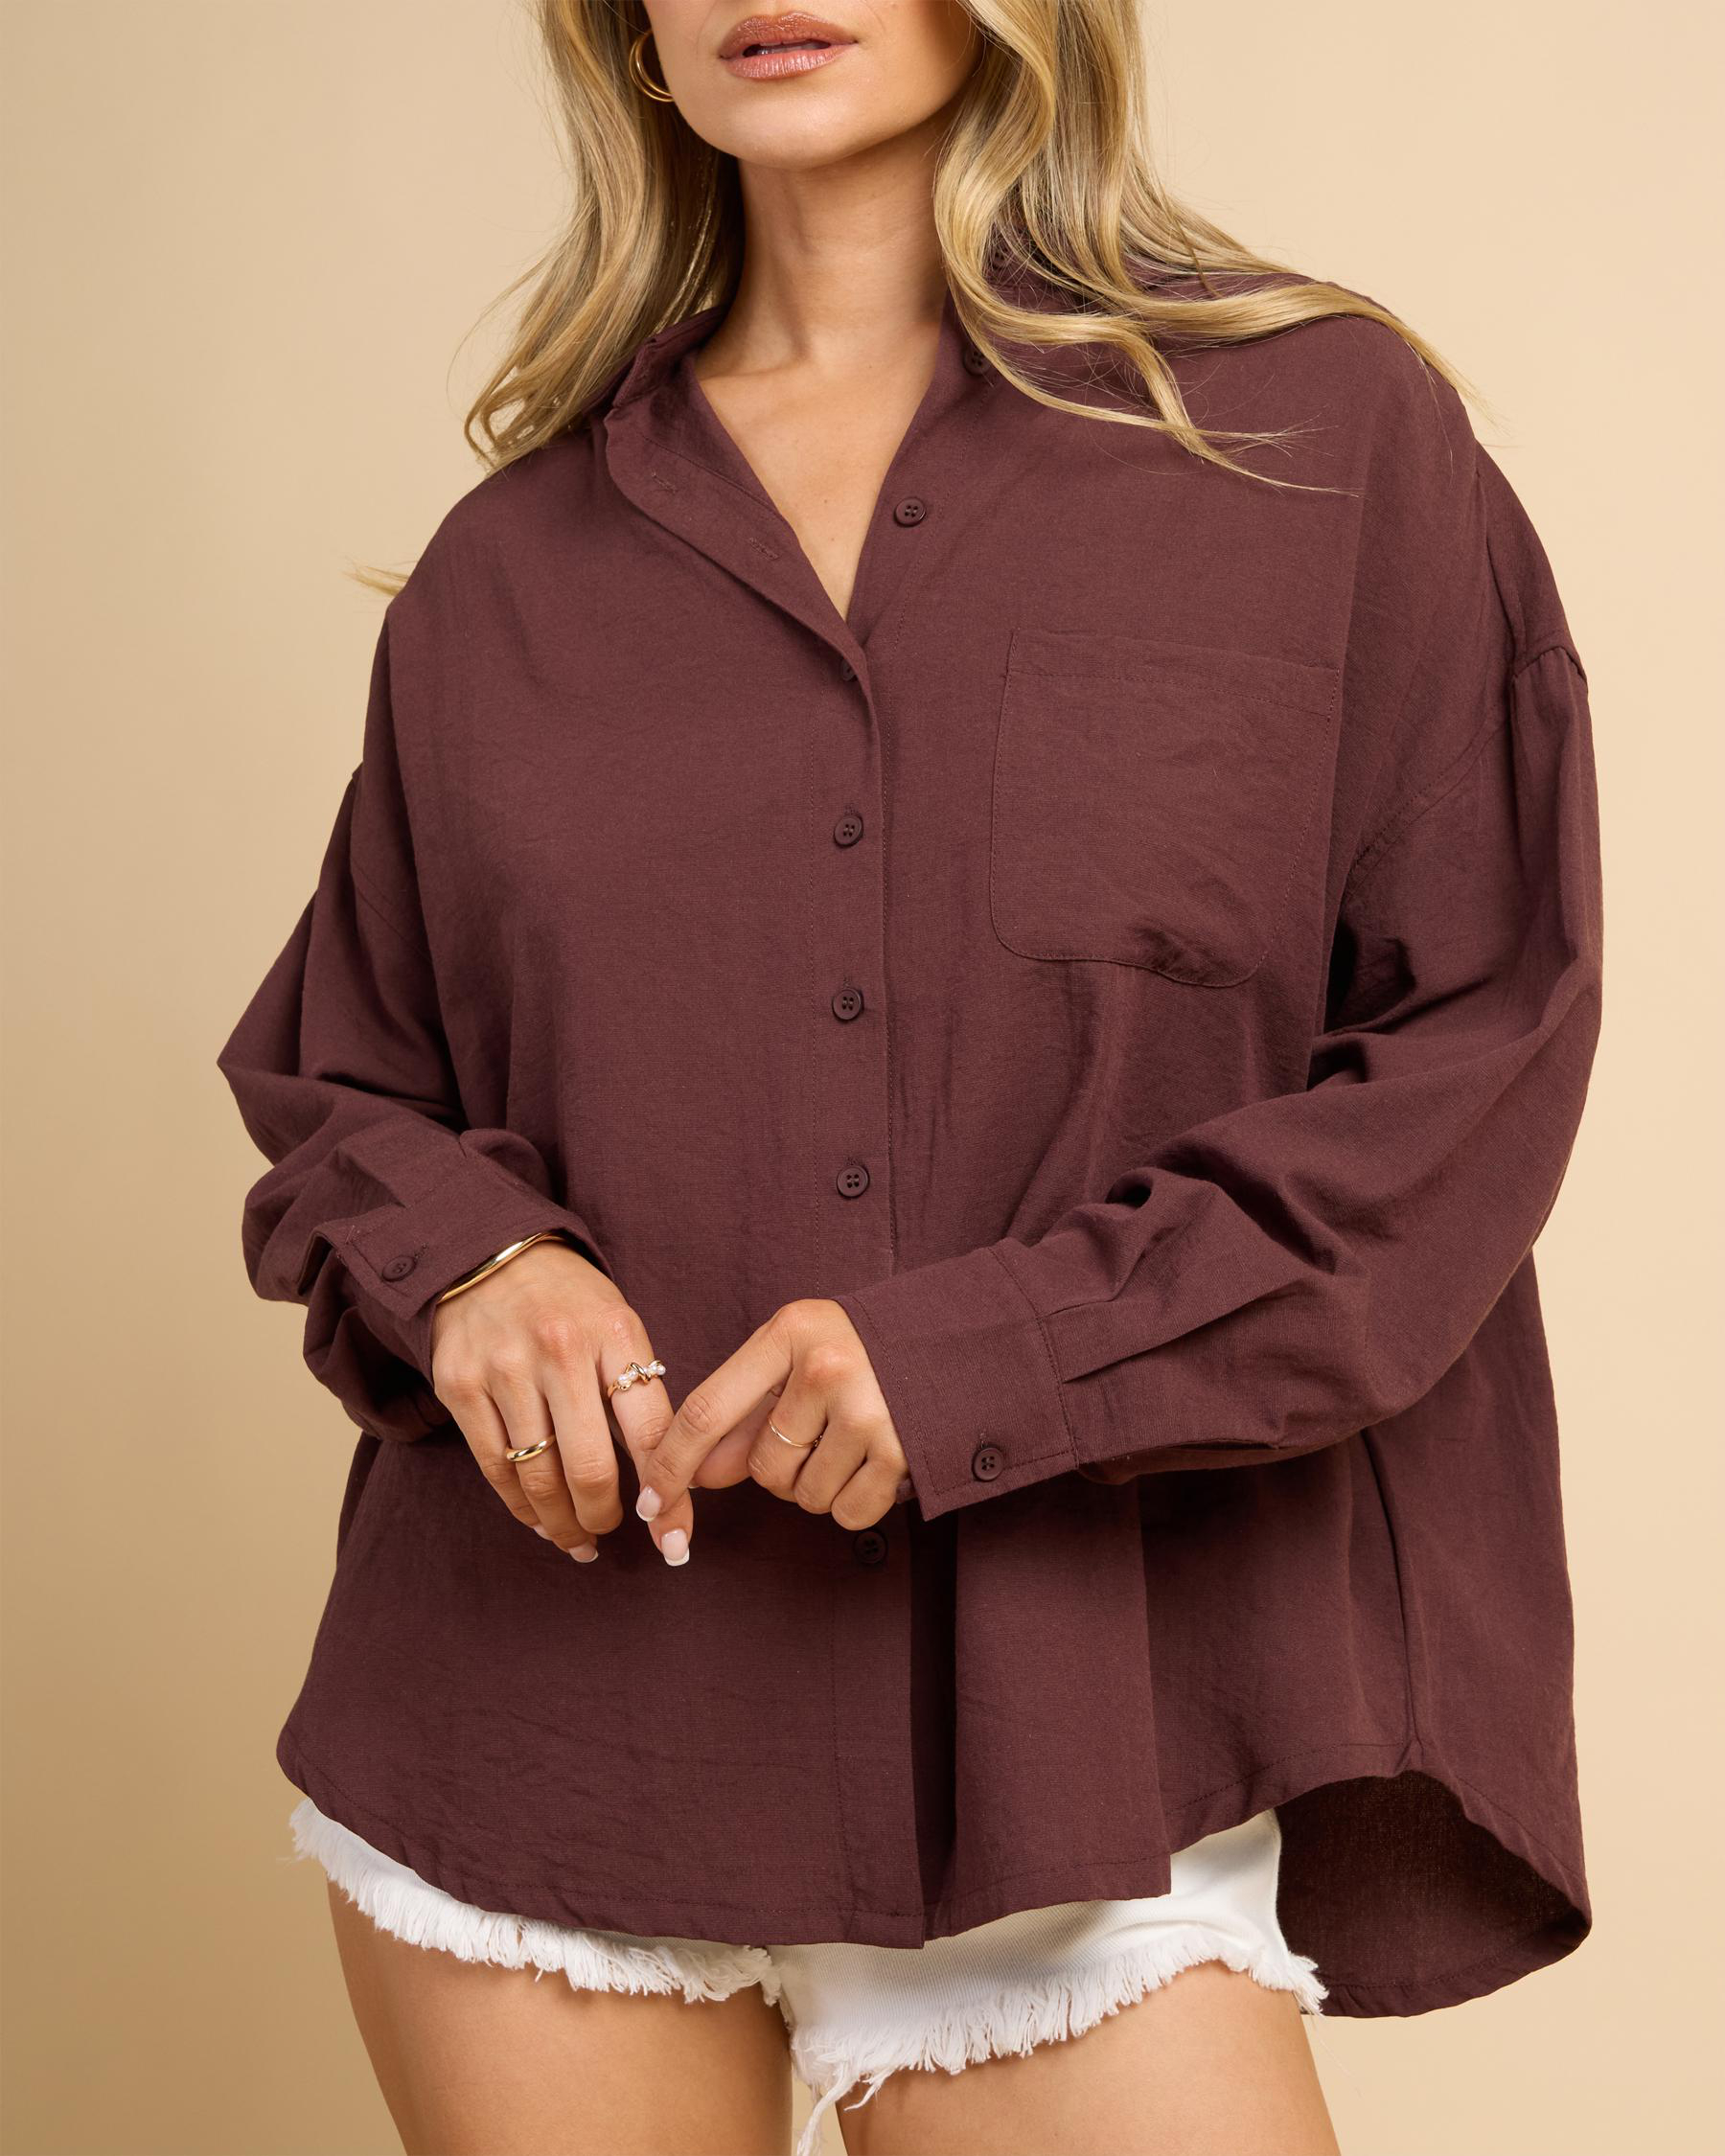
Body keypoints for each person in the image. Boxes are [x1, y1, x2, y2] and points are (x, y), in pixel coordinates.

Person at [216, 0, 1603, 2150]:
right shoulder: (513, 566)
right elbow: (345, 1074)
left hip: (1087, 1728)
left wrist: (994, 1357)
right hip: (538, 1735)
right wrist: (481, 1268)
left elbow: (1468, 1063)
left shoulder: (1321, 441)